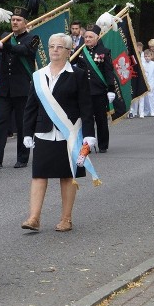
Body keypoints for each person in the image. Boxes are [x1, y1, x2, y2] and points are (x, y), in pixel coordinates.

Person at [20, 33, 95, 232]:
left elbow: (86, 106)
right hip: (43, 132)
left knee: (67, 175)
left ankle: (66, 218)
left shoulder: (77, 74)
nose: (54, 50)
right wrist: (27, 132)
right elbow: (31, 106)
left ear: (69, 51)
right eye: (52, 46)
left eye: (60, 47)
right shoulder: (39, 75)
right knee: (39, 174)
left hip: (69, 134)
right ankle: (34, 217)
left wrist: (89, 134)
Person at [0, 0, 43, 168]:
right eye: (13, 19)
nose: (14, 22)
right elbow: (2, 54)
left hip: (22, 87)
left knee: (23, 123)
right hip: (4, 88)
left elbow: (24, 51)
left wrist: (1, 46)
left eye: (18, 20)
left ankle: (22, 157)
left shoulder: (33, 38)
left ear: (25, 23)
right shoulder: (5, 35)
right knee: (0, 122)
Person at [73, 24, 117, 152]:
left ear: (97, 38)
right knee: (86, 119)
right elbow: (70, 63)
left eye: (90, 37)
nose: (87, 39)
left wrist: (111, 89)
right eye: (86, 37)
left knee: (101, 119)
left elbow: (109, 72)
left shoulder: (104, 51)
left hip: (99, 91)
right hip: (84, 91)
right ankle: (88, 144)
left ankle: (103, 145)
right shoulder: (80, 50)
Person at [140, 49, 154, 117]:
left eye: (148, 56)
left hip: (152, 83)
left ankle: (152, 110)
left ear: (151, 56)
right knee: (144, 97)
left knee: (151, 97)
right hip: (144, 83)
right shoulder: (142, 64)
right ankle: (145, 111)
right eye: (145, 56)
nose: (147, 58)